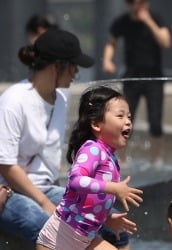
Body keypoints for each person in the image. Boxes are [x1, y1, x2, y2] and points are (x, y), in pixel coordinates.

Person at [0, 28, 130, 249]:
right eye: (73, 67)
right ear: (55, 67)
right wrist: (45, 204)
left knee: (118, 231)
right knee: (51, 227)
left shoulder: (60, 99)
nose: (76, 73)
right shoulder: (14, 101)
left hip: (49, 188)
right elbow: (7, 165)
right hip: (11, 193)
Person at [37, 86, 144, 250]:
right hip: (57, 242)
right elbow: (75, 180)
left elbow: (89, 202)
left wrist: (108, 218)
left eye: (129, 116)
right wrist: (113, 187)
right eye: (120, 116)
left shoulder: (110, 157)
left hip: (83, 239)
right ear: (96, 124)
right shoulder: (92, 149)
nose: (128, 121)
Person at [103, 0, 171, 167]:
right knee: (125, 119)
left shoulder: (156, 18)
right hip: (132, 77)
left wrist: (148, 21)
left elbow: (165, 42)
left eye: (144, 2)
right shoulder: (123, 22)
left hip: (154, 77)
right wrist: (107, 60)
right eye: (137, 3)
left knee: (155, 120)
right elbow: (112, 42)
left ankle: (155, 159)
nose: (142, 6)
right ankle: (122, 159)